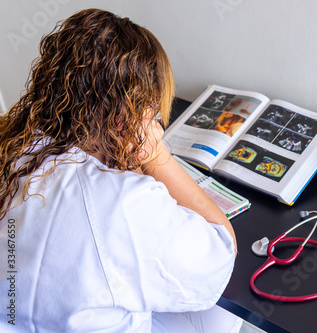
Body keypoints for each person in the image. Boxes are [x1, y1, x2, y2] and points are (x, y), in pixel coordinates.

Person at [0, 8, 242, 333]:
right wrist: (156, 156)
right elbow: (221, 251)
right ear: (125, 119)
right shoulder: (124, 203)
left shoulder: (12, 149)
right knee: (221, 316)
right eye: (153, 114)